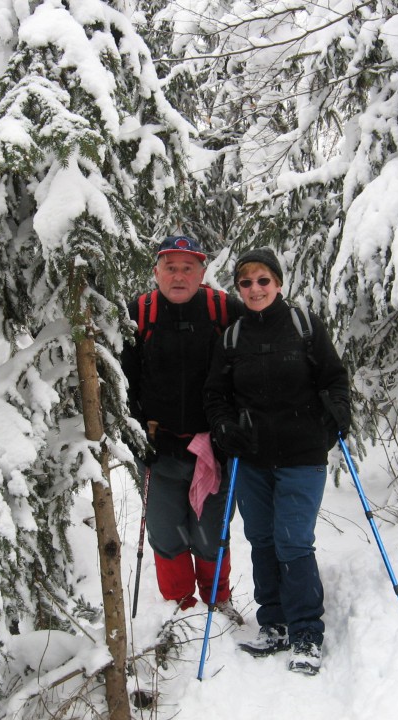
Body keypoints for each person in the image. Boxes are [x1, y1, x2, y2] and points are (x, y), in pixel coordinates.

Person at [203, 247, 351, 676]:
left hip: (302, 457)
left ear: (279, 283)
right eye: (245, 282)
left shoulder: (305, 326)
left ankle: (307, 631)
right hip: (252, 459)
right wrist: (224, 427)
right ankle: (276, 622)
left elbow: (334, 378)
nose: (254, 288)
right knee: (263, 538)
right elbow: (216, 395)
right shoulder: (231, 338)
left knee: (292, 540)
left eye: (263, 280)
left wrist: (335, 414)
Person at [122, 235, 245, 622]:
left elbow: (262, 346)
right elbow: (119, 379)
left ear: (202, 273)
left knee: (212, 529)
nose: (179, 276)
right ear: (156, 271)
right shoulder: (138, 313)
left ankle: (216, 602)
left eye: (187, 267)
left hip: (214, 447)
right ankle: (179, 606)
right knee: (164, 531)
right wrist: (135, 432)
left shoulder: (222, 309)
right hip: (158, 447)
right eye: (170, 267)